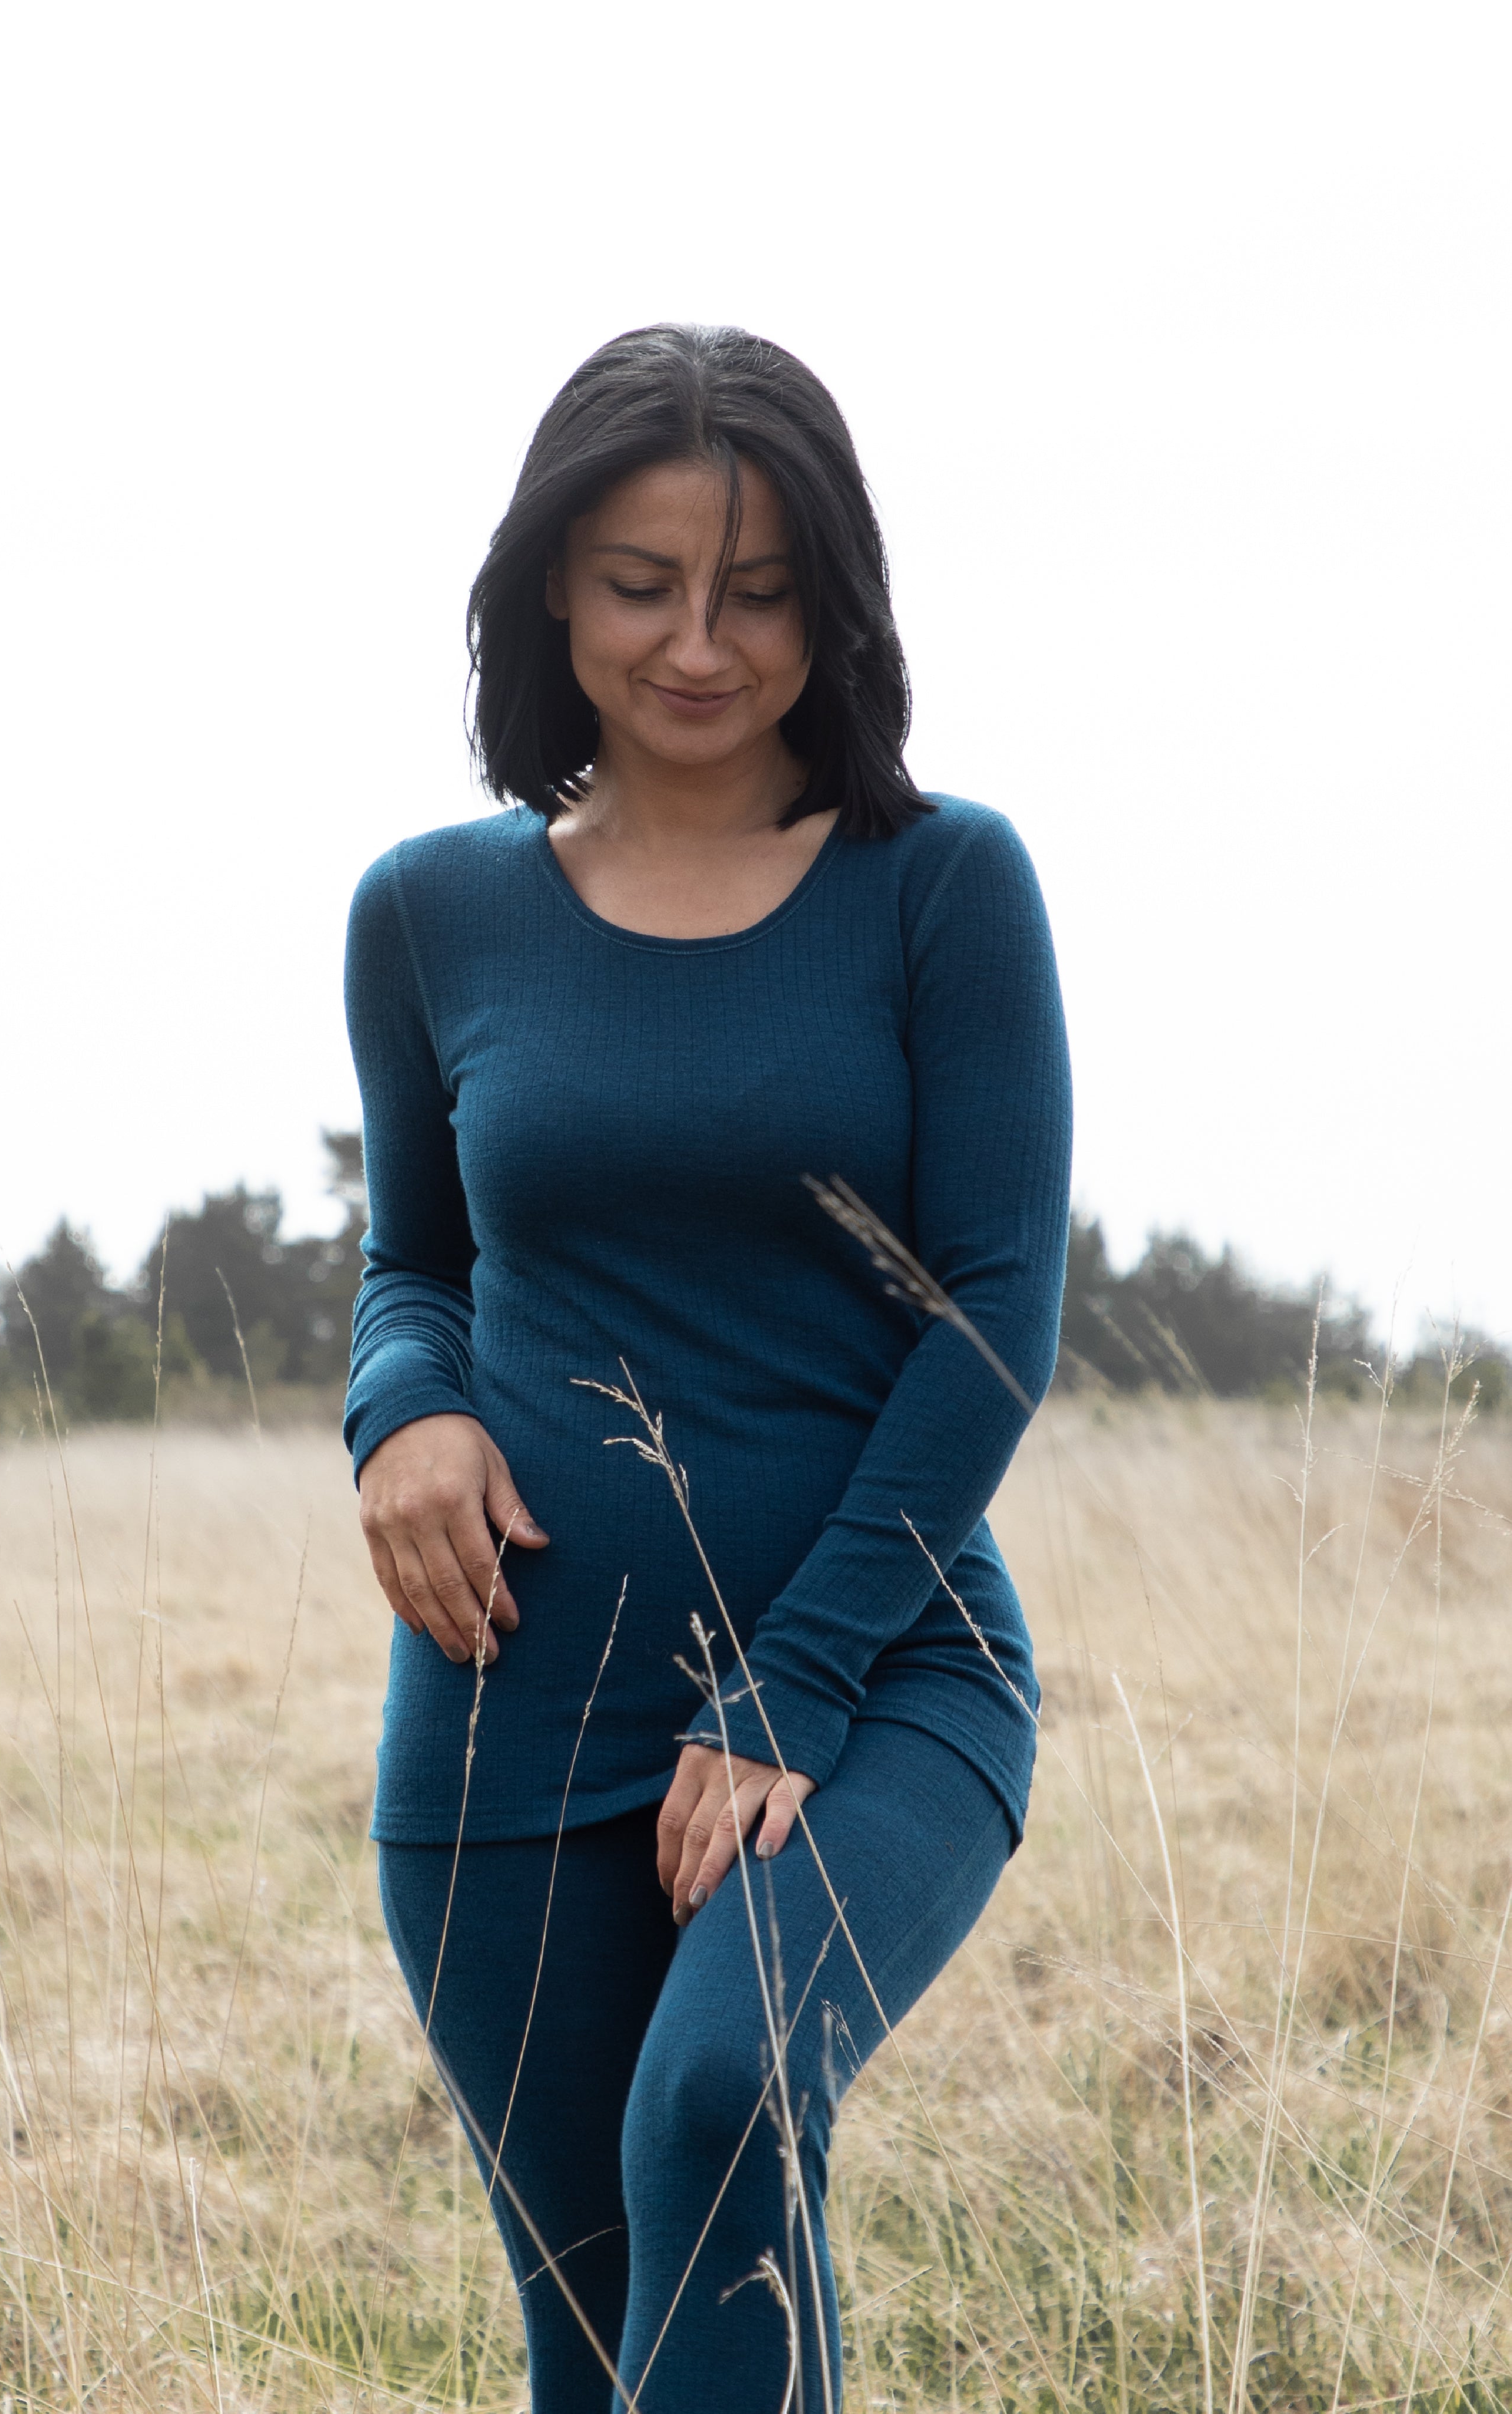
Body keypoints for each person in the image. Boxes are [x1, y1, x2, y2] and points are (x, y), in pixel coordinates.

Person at [344, 323, 1071, 2414]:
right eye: (642, 584)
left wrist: (789, 1686)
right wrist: (404, 1407)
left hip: (876, 1677)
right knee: (592, 2334)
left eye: (756, 592)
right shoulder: (427, 914)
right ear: (549, 595)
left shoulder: (940, 886)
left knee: (720, 2101)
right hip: (503, 1714)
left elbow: (990, 1309)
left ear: (832, 605)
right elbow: (416, 1261)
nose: (696, 644)